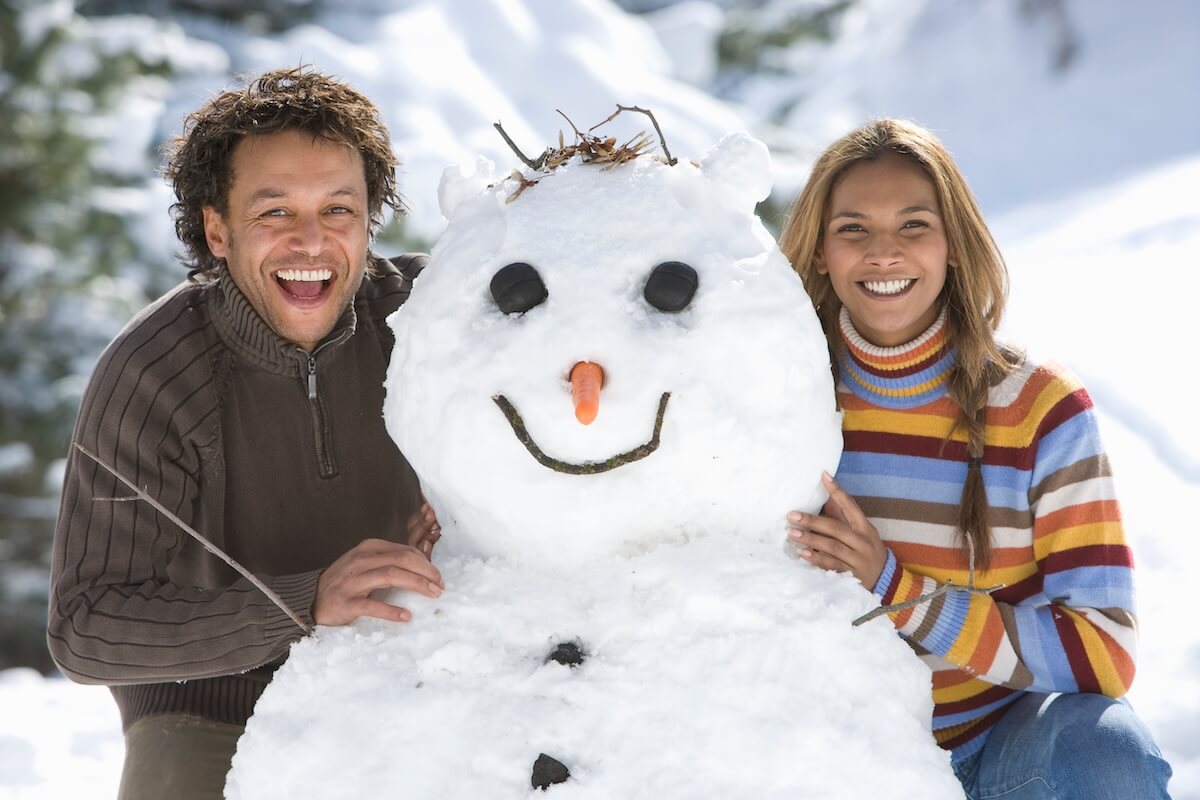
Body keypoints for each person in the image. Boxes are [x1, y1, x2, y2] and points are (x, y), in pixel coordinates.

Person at [46, 66, 444, 799]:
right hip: (208, 702)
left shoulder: (431, 316)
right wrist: (303, 603)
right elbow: (86, 627)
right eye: (275, 213)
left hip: (404, 666)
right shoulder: (152, 374)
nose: (311, 242)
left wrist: (473, 505)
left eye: (338, 210)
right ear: (218, 230)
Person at [779, 118, 1173, 798]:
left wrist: (897, 589)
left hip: (997, 748)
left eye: (913, 226)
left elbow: (1106, 653)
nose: (884, 253)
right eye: (852, 230)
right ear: (818, 252)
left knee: (1104, 755)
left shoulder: (1039, 408)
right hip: (826, 747)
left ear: (953, 245)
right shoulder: (773, 394)